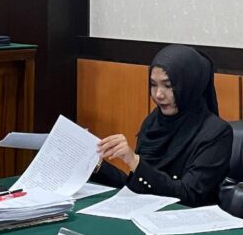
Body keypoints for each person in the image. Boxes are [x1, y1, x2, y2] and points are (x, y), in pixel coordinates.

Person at [92, 44, 232, 207]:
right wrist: (96, 165)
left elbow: (189, 195)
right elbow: (139, 188)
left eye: (168, 85)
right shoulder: (153, 122)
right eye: (153, 84)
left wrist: (135, 162)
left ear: (190, 84)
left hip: (189, 217)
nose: (158, 94)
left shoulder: (216, 133)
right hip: (146, 214)